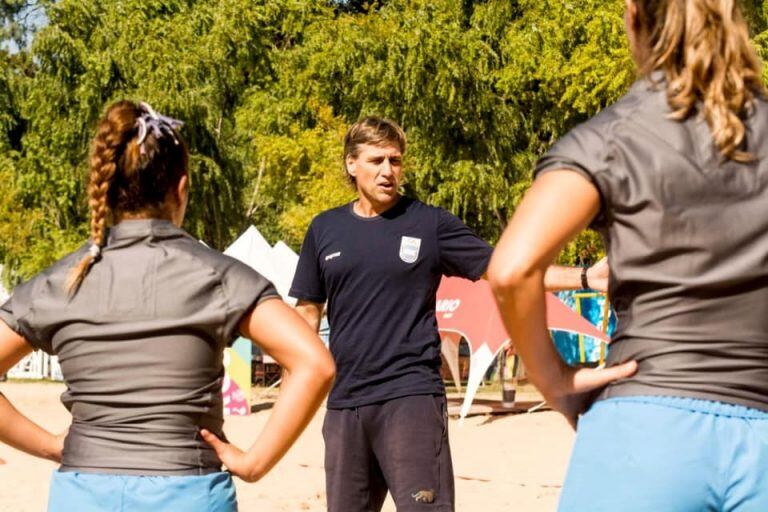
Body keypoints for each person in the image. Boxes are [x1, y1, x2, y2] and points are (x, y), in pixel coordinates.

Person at [489, 1, 768, 510]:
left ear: (634, 15)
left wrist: (551, 377)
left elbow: (510, 270)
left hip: (646, 430)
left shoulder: (610, 138)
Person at [0, 100, 335, 512]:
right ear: (181, 189)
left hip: (83, 493)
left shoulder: (62, 280)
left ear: (106, 190)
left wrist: (51, 445)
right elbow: (315, 364)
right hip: (188, 493)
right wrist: (254, 463)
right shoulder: (219, 276)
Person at [289, 116, 608, 511]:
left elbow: (506, 269)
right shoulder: (324, 229)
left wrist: (585, 277)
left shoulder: (428, 223)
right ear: (351, 164)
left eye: (396, 160)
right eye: (377, 160)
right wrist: (296, 384)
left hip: (411, 399)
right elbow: (306, 312)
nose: (389, 170)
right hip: (345, 406)